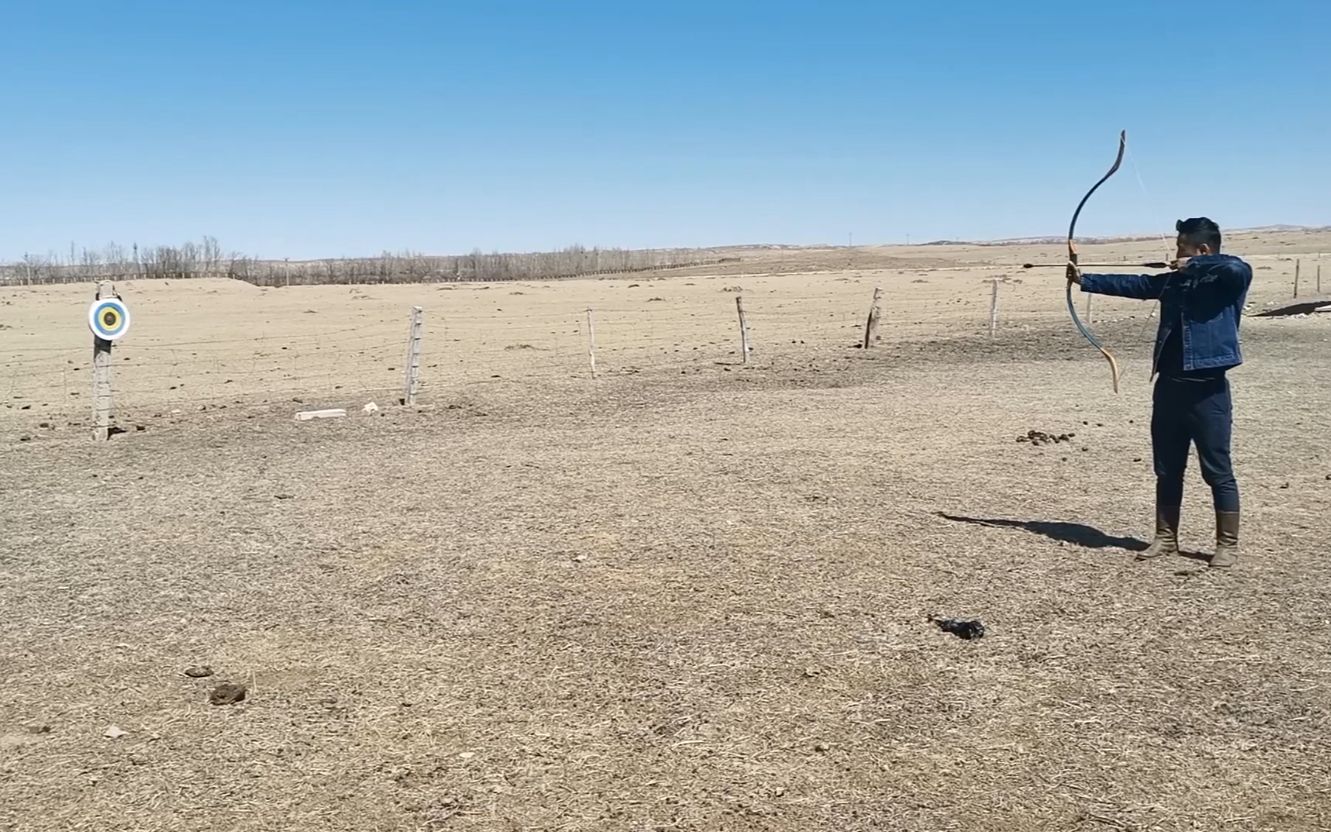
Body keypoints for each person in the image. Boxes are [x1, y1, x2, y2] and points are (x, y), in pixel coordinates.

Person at [1067, 218, 1253, 568]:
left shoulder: (1228, 279)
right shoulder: (1176, 282)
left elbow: (1236, 266)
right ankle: (1165, 537)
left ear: (1202, 249)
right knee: (1167, 468)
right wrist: (1084, 279)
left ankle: (1226, 545)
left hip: (1208, 392)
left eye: (1182, 246)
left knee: (1217, 470)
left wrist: (1195, 264)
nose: (1176, 252)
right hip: (1168, 389)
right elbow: (1138, 283)